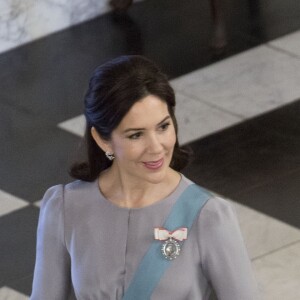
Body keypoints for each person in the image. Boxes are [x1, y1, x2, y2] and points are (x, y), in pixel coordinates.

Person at [30, 55, 259, 299]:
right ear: (102, 139)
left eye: (163, 127)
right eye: (136, 135)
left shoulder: (208, 216)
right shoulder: (65, 208)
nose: (156, 147)